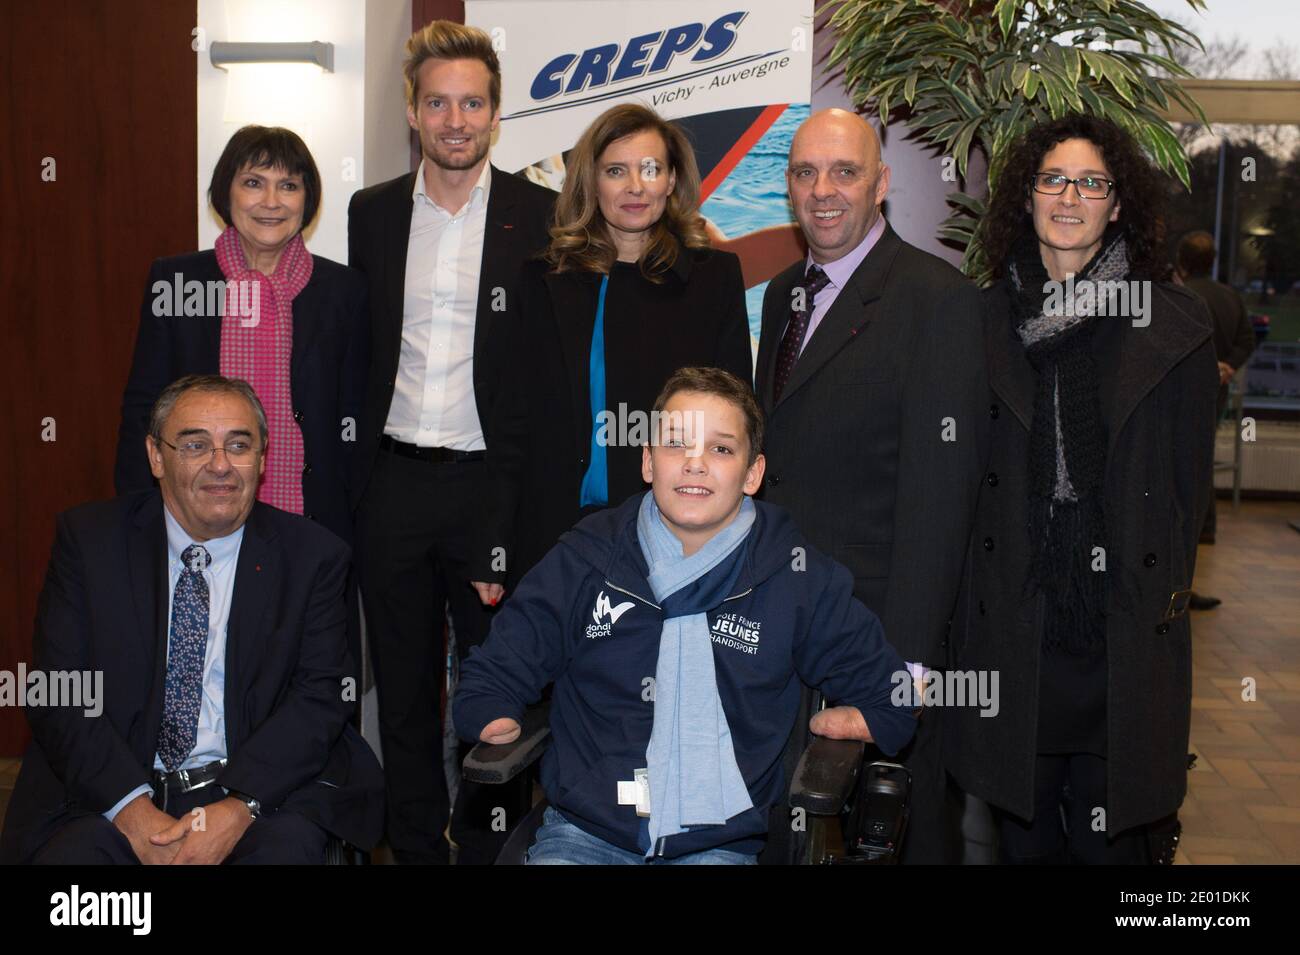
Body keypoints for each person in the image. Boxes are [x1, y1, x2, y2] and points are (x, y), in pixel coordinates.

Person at [455, 368, 916, 864]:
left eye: (721, 449)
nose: (695, 463)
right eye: (676, 445)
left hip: (717, 844)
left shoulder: (797, 576)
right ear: (649, 462)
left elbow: (892, 696)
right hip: (586, 832)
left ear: (753, 473)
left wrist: (856, 721)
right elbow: (494, 672)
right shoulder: (586, 559)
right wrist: (491, 717)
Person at [946, 114, 1217, 864]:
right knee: (1023, 848)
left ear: (1118, 203)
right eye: (1053, 179)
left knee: (1114, 854)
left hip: (1121, 633)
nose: (1071, 197)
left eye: (1092, 182)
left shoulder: (1173, 324)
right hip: (1017, 630)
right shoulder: (978, 322)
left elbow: (1189, 489)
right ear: (1027, 197)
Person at [0, 376, 384, 864]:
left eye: (239, 445)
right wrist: (132, 812)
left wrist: (238, 807)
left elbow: (319, 700)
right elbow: (61, 692)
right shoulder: (89, 543)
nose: (220, 464)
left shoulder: (313, 558)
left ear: (262, 459)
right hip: (112, 791)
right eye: (195, 444)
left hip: (260, 793)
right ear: (156, 456)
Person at [753, 108, 987, 864]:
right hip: (787, 625)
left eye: (844, 171)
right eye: (805, 172)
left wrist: (907, 673)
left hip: (878, 640)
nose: (823, 190)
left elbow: (941, 496)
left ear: (881, 184)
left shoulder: (937, 300)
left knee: (896, 844)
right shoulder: (786, 291)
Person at [346, 20, 554, 865]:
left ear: (496, 115)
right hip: (391, 482)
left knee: (496, 692)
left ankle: (485, 848)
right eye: (439, 102)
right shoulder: (371, 214)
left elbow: (545, 382)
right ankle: (414, 848)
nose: (456, 119)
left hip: (488, 491)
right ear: (413, 111)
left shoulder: (540, 217)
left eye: (472, 102)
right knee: (401, 691)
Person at [485, 103, 752, 593]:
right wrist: (494, 544)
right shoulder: (544, 279)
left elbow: (735, 421)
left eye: (650, 169)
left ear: (671, 181)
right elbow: (512, 421)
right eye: (616, 171)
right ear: (591, 182)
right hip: (552, 533)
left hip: (672, 533)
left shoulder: (712, 280)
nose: (634, 186)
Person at [116, 125, 368, 551]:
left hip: (314, 526)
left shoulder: (343, 291)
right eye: (253, 183)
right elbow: (144, 406)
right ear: (225, 192)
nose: (271, 202)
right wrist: (138, 515)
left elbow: (355, 418)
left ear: (306, 200)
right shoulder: (178, 282)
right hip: (191, 518)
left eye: (288, 186)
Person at [1177, 230, 1257, 611]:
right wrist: (1227, 367)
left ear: (1182, 261)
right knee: (1202, 458)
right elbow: (1246, 341)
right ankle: (1205, 528)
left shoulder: (1180, 298)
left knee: (1183, 466)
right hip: (1217, 392)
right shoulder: (1230, 297)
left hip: (1181, 397)